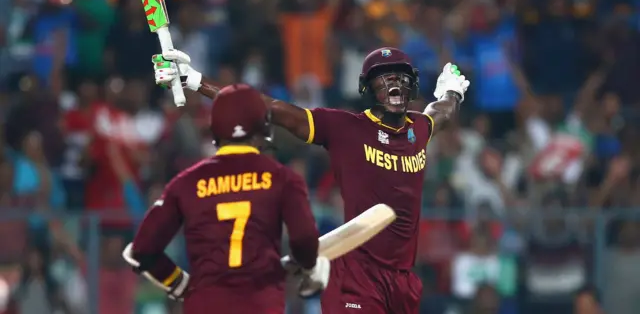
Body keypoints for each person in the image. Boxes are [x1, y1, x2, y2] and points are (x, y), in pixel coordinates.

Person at [153, 47, 470, 313]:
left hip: (403, 281)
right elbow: (270, 109)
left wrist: (452, 91)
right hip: (356, 277)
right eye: (383, 79)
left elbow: (440, 112)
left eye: (400, 77)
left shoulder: (418, 129)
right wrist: (194, 80)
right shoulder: (346, 128)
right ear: (368, 89)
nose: (394, 85)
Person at [122, 84, 330, 313]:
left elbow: (141, 249)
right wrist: (310, 267)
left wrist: (179, 283)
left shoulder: (185, 183)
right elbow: (303, 239)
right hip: (260, 305)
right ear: (263, 128)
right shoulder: (283, 179)